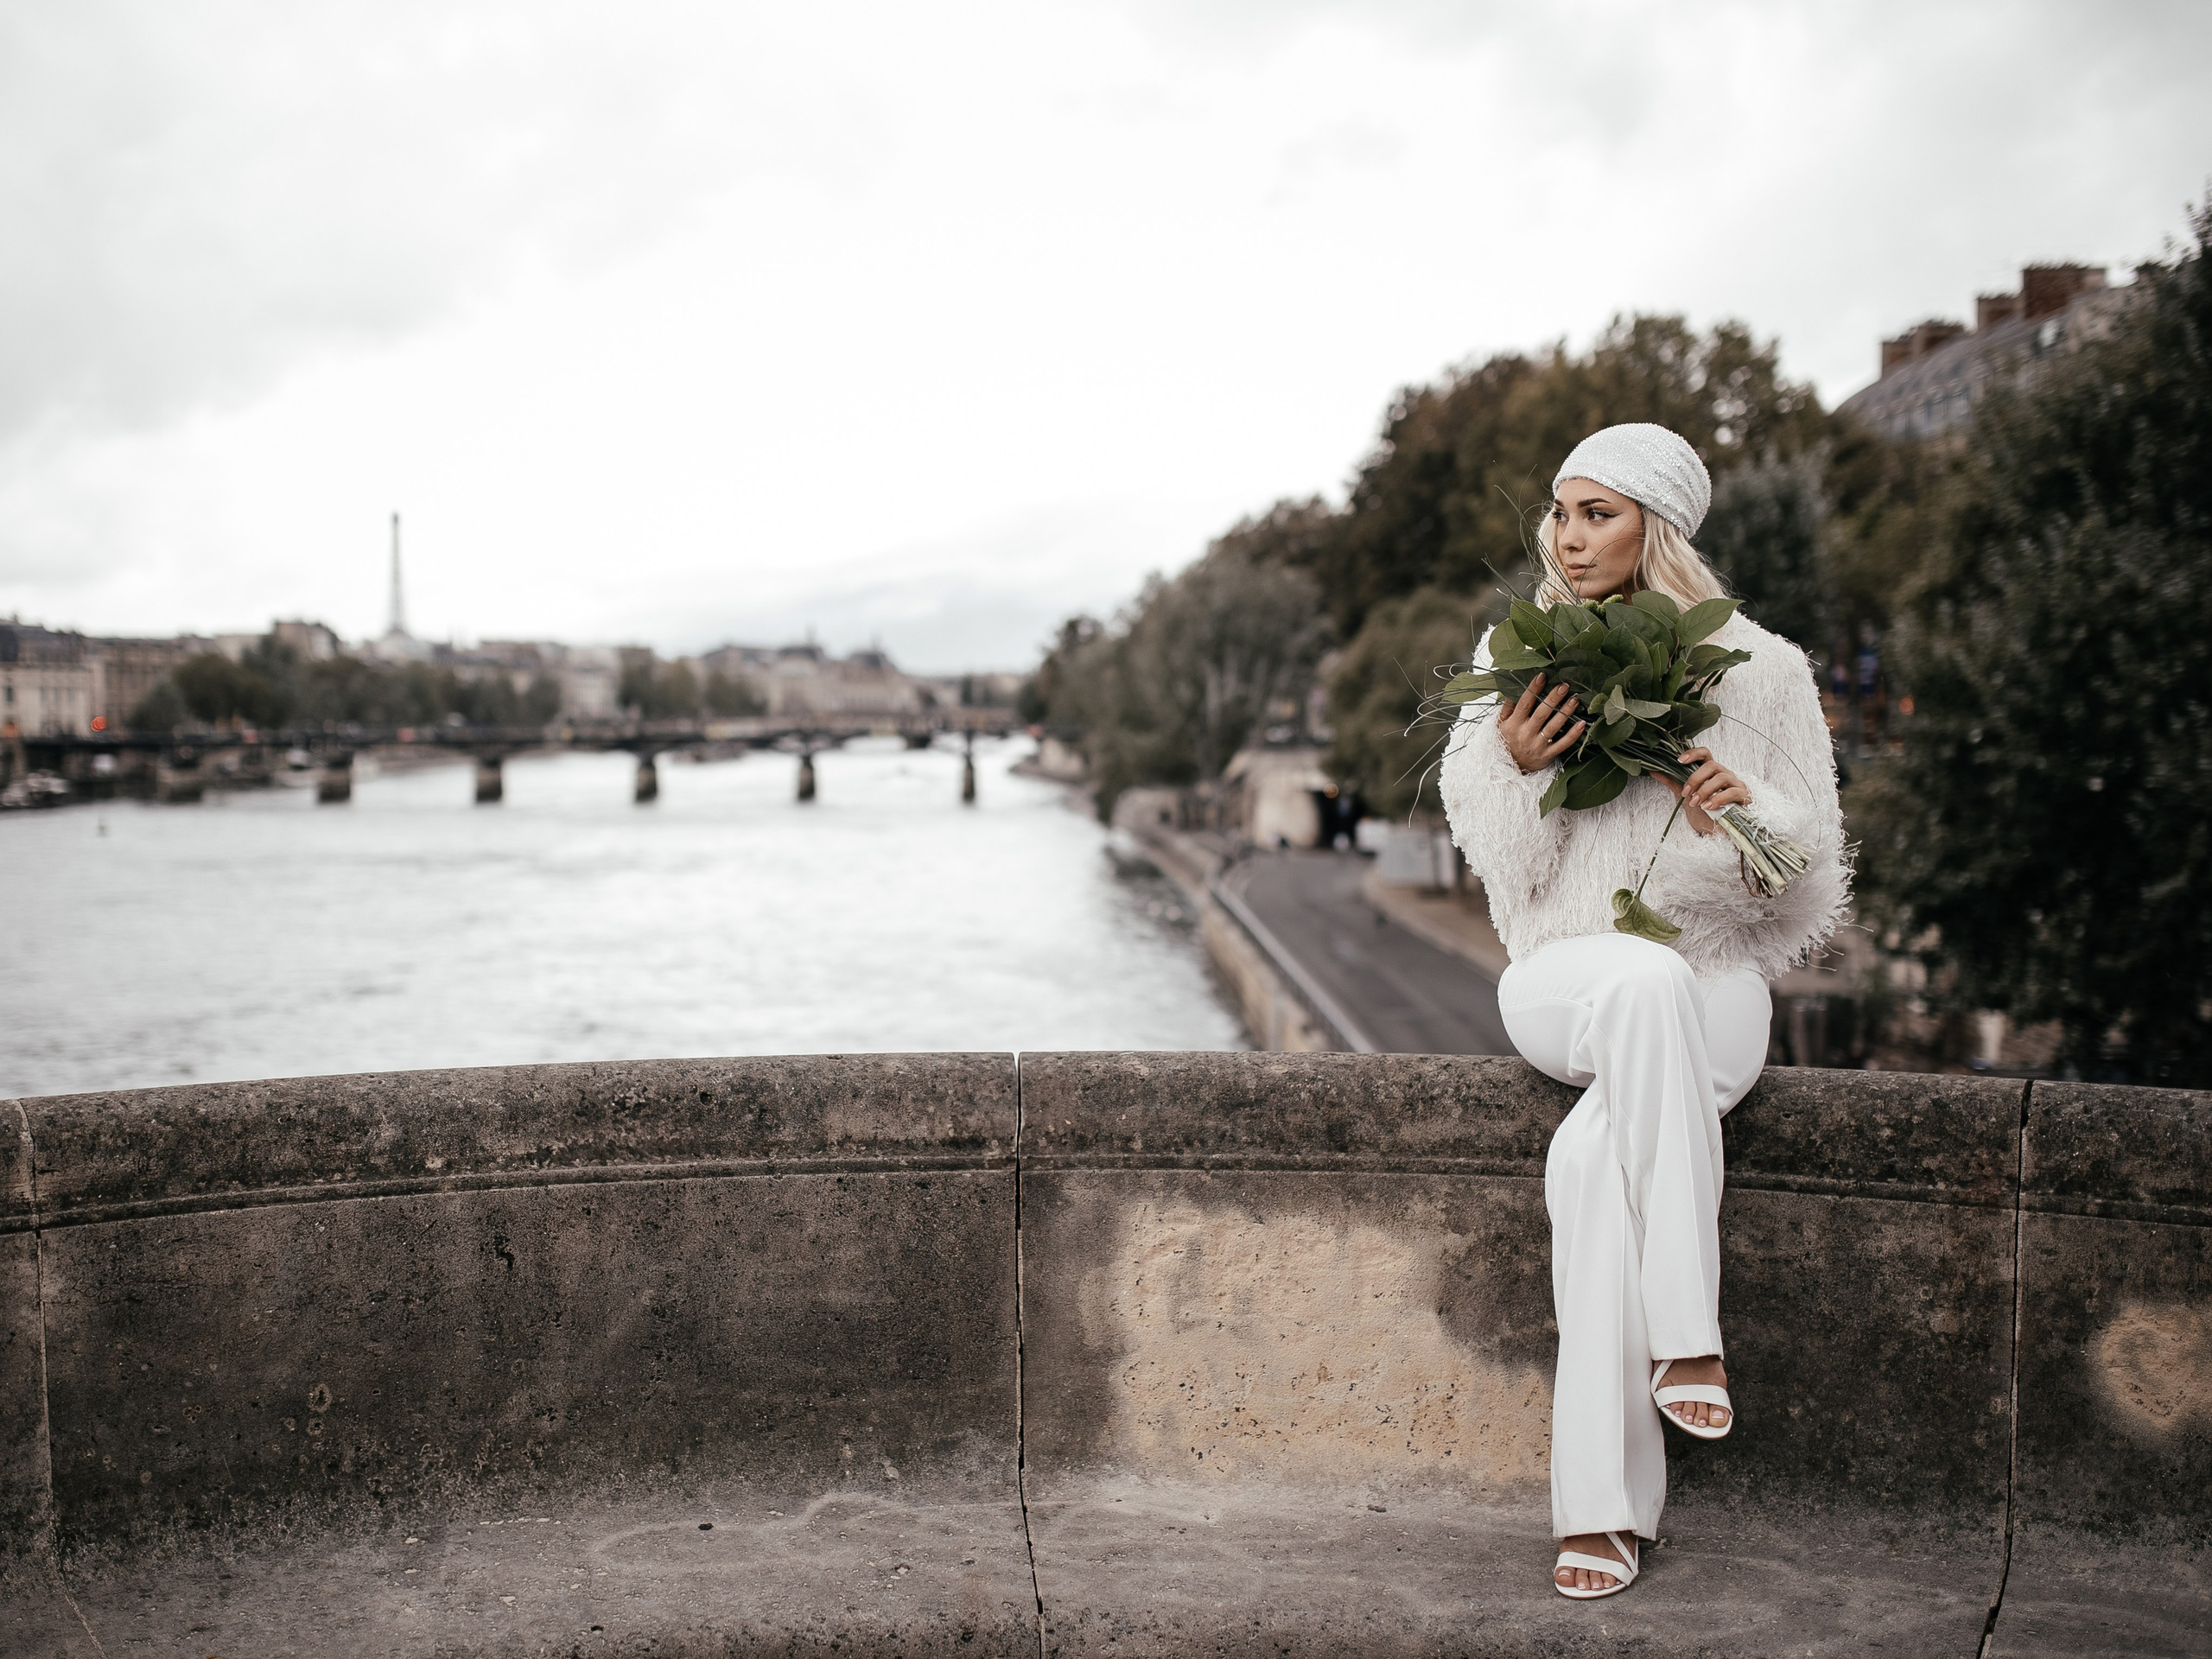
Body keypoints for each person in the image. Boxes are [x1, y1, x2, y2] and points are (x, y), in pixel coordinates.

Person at [1438, 423, 1849, 1599]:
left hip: (1712, 980)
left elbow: (1809, 892)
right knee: (1637, 978)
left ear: (1657, 528)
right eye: (1561, 512)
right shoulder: (1516, 658)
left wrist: (1742, 819)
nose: (1569, 538)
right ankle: (1688, 1330)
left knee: (1588, 1173)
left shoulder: (1764, 669)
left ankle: (1603, 1517)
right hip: (1565, 976)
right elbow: (1503, 875)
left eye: (1599, 513)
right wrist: (1512, 765)